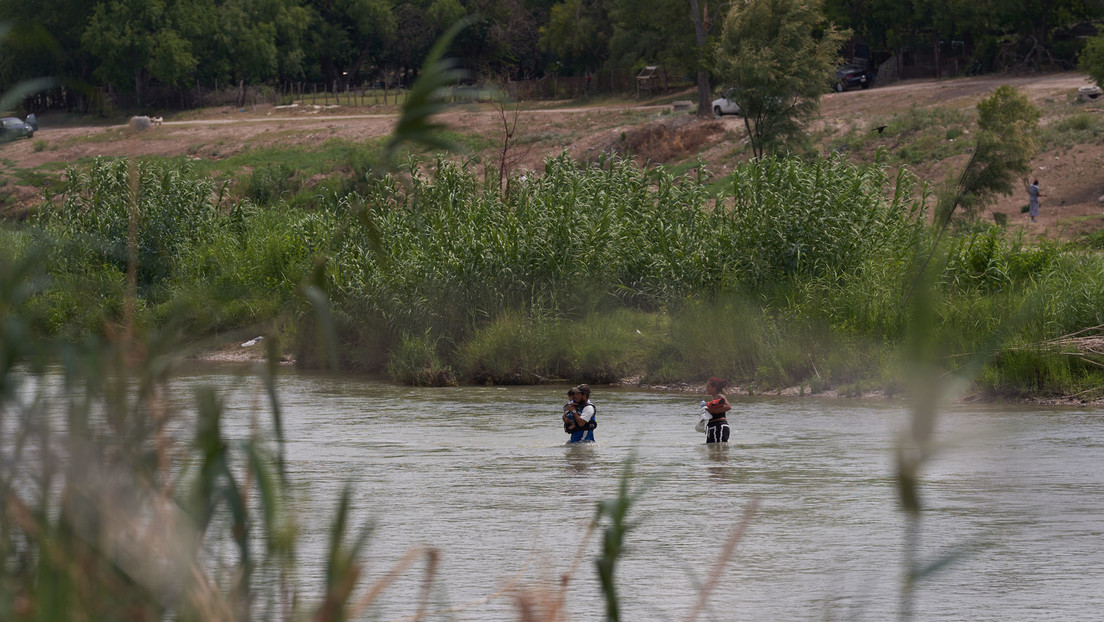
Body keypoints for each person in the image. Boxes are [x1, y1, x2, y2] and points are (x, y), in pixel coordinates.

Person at [703, 377, 732, 444]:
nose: (707, 389)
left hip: (719, 427)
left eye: (709, 387)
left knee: (720, 450)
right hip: (712, 427)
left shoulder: (720, 396)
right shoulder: (714, 400)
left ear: (715, 388)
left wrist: (712, 410)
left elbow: (728, 407)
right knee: (712, 451)